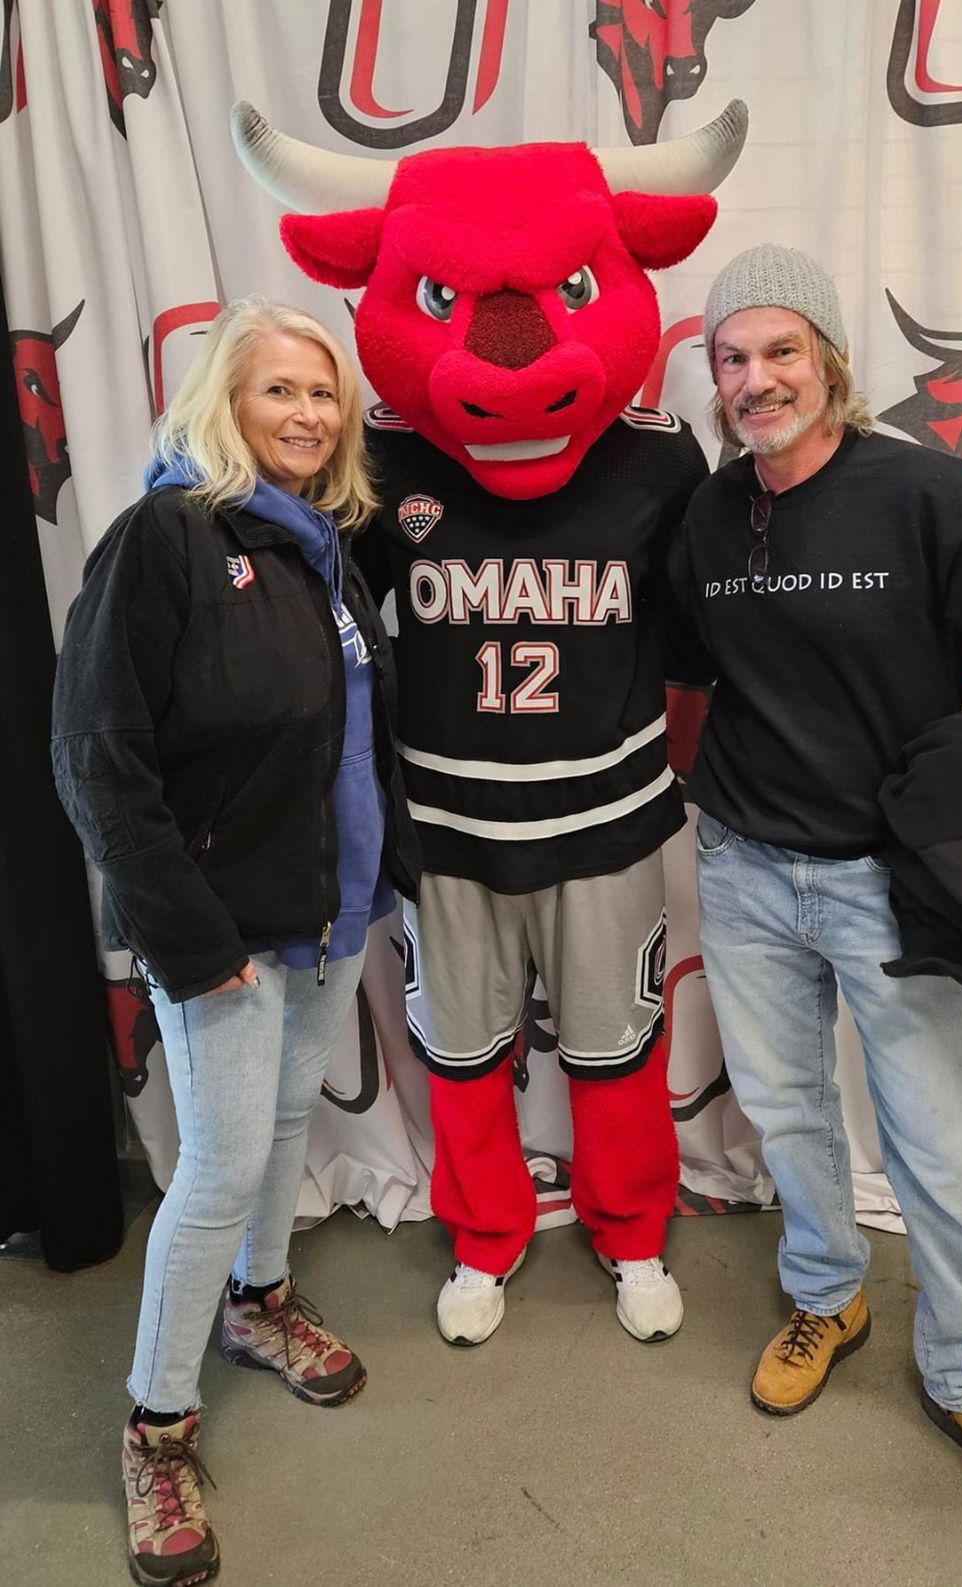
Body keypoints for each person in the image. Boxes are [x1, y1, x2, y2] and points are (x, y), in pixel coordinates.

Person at [230, 104, 749, 1348]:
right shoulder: (382, 461)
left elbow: (698, 640)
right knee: (462, 1061)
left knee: (620, 1054)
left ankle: (630, 1231)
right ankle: (487, 1236)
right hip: (449, 825)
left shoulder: (657, 459)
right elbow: (324, 632)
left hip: (609, 821)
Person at [668, 245, 962, 1522]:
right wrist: (714, 802)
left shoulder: (924, 493)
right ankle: (826, 1296)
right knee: (787, 1112)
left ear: (832, 360)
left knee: (936, 1146)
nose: (757, 380)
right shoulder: (708, 513)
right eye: (733, 358)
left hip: (889, 886)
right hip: (746, 869)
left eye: (781, 350)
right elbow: (695, 677)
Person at [52, 297, 420, 1586]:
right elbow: (97, 761)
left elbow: (346, 734)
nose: (308, 414)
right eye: (279, 391)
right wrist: (192, 941)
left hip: (327, 911)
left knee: (277, 1129)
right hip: (219, 928)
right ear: (225, 401)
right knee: (212, 1165)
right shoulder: (166, 536)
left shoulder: (324, 544)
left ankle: (258, 1304)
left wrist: (379, 882)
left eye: (324, 394)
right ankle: (156, 1427)